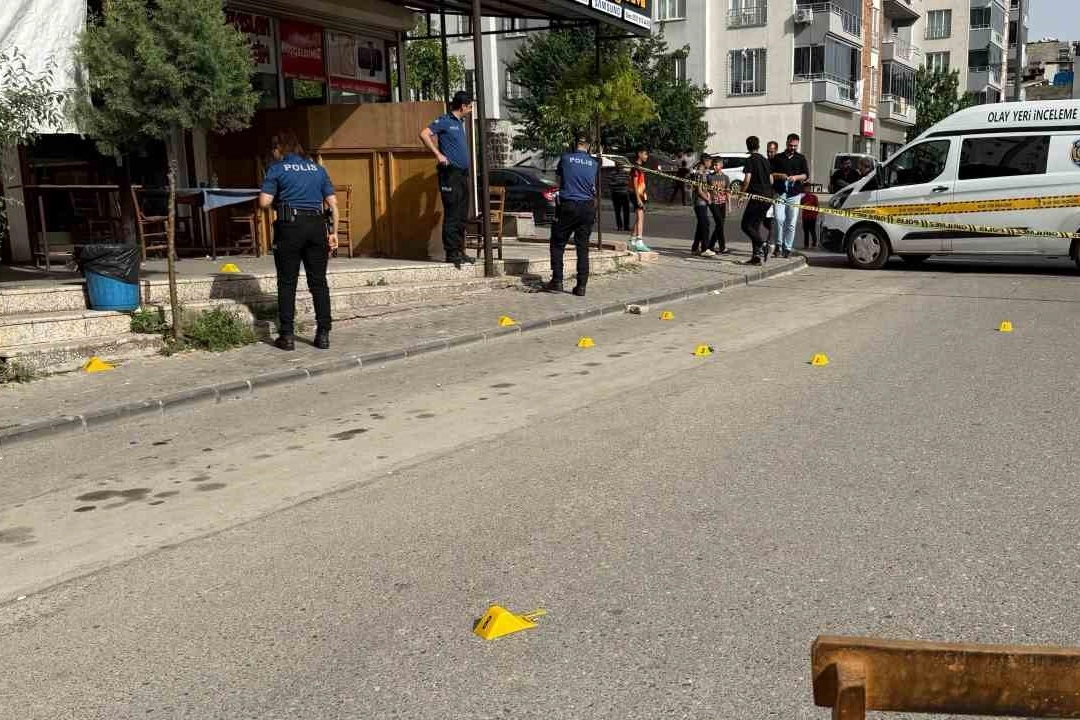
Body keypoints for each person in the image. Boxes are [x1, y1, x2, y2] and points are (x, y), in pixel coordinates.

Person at [259, 131, 338, 352]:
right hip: (317, 227)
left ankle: (287, 336)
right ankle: (323, 335)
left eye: (274, 149)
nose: (273, 153)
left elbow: (264, 202)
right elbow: (333, 204)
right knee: (318, 282)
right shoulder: (318, 169)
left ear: (279, 149)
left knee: (287, 283)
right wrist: (333, 233)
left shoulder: (277, 169)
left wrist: (275, 197)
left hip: (290, 228)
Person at [419, 91, 475, 269]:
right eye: (470, 106)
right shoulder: (445, 120)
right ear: (463, 106)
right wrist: (438, 154)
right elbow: (424, 134)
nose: (471, 110)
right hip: (450, 174)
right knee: (452, 213)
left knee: (462, 214)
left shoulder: (459, 123)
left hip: (462, 174)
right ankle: (451, 253)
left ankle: (460, 250)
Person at [544, 134, 598, 297]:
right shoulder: (594, 163)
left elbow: (559, 180)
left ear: (575, 144)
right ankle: (581, 286)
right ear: (588, 146)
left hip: (569, 205)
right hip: (587, 207)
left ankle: (557, 280)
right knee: (583, 247)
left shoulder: (566, 159)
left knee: (558, 242)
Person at [770, 132, 810, 258]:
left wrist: (796, 177)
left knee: (791, 223)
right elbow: (771, 174)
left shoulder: (801, 158)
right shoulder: (778, 158)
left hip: (794, 194)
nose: (793, 148)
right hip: (780, 193)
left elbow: (806, 175)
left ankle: (787, 248)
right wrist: (780, 175)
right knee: (778, 219)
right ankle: (778, 245)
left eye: (795, 146)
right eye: (791, 145)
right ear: (787, 143)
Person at [738, 135, 775, 266]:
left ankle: (763, 244)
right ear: (758, 145)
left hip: (757, 197)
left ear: (747, 146)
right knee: (755, 227)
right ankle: (756, 257)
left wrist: (741, 195)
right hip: (768, 197)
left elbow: (747, 180)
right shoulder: (765, 160)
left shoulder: (750, 160)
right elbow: (771, 180)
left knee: (745, 225)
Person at [628, 147, 652, 252]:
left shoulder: (641, 167)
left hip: (641, 194)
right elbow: (634, 183)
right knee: (640, 217)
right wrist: (638, 198)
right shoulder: (635, 167)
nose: (647, 156)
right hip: (636, 194)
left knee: (639, 217)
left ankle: (632, 241)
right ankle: (639, 240)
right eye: (645, 154)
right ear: (639, 154)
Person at [690, 157, 713, 256]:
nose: (711, 164)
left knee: (701, 225)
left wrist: (708, 194)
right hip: (699, 202)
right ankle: (705, 248)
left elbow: (704, 188)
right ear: (706, 162)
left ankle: (695, 248)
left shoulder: (704, 173)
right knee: (705, 224)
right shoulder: (699, 174)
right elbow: (699, 190)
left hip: (703, 202)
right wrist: (707, 199)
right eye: (710, 162)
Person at [707, 157, 729, 254]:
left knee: (720, 225)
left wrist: (729, 205)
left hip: (722, 203)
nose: (714, 167)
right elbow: (706, 189)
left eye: (716, 165)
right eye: (713, 165)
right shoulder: (710, 177)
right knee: (719, 223)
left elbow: (727, 192)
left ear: (721, 165)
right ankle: (722, 246)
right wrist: (708, 198)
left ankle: (711, 245)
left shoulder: (725, 177)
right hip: (713, 203)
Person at [764, 140, 780, 258]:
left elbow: (783, 175)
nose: (769, 154)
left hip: (776, 194)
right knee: (766, 219)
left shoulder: (779, 162)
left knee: (774, 220)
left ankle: (772, 244)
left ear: (776, 150)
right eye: (768, 151)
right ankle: (772, 241)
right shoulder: (765, 162)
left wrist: (773, 175)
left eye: (772, 152)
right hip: (765, 194)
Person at [610, 161, 631, 232]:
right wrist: (619, 183)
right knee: (617, 211)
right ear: (615, 166)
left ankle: (626, 226)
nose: (619, 167)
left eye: (620, 165)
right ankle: (619, 226)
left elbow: (629, 182)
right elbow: (610, 183)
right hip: (616, 194)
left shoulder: (626, 173)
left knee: (626, 211)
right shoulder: (612, 174)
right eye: (618, 165)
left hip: (625, 194)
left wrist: (622, 183)